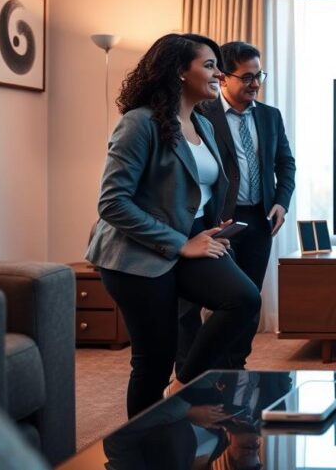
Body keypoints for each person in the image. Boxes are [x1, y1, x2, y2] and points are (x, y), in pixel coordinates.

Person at [86, 33, 262, 417]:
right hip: (136, 254)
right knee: (154, 359)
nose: (219, 74)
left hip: (191, 239)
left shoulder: (202, 123)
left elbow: (196, 188)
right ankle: (142, 444)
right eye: (210, 66)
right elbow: (112, 203)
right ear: (180, 71)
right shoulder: (139, 123)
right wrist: (180, 244)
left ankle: (182, 386)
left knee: (244, 299)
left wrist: (214, 226)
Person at [178, 41, 296, 371]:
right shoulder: (202, 114)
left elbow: (286, 164)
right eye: (247, 77)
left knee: (249, 299)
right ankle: (189, 373)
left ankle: (234, 369)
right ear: (224, 77)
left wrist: (281, 203)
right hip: (215, 222)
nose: (255, 84)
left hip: (259, 219)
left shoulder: (270, 116)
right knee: (193, 304)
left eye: (259, 76)